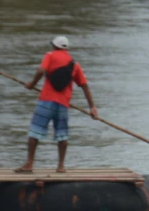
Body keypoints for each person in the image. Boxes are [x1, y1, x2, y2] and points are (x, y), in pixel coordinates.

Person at [16, 36, 97, 174]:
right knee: (62, 135)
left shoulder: (50, 55)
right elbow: (84, 86)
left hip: (46, 101)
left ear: (54, 46)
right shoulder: (74, 65)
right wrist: (92, 108)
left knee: (35, 133)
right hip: (62, 104)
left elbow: (41, 71)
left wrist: (31, 84)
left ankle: (29, 164)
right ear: (67, 48)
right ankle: (60, 166)